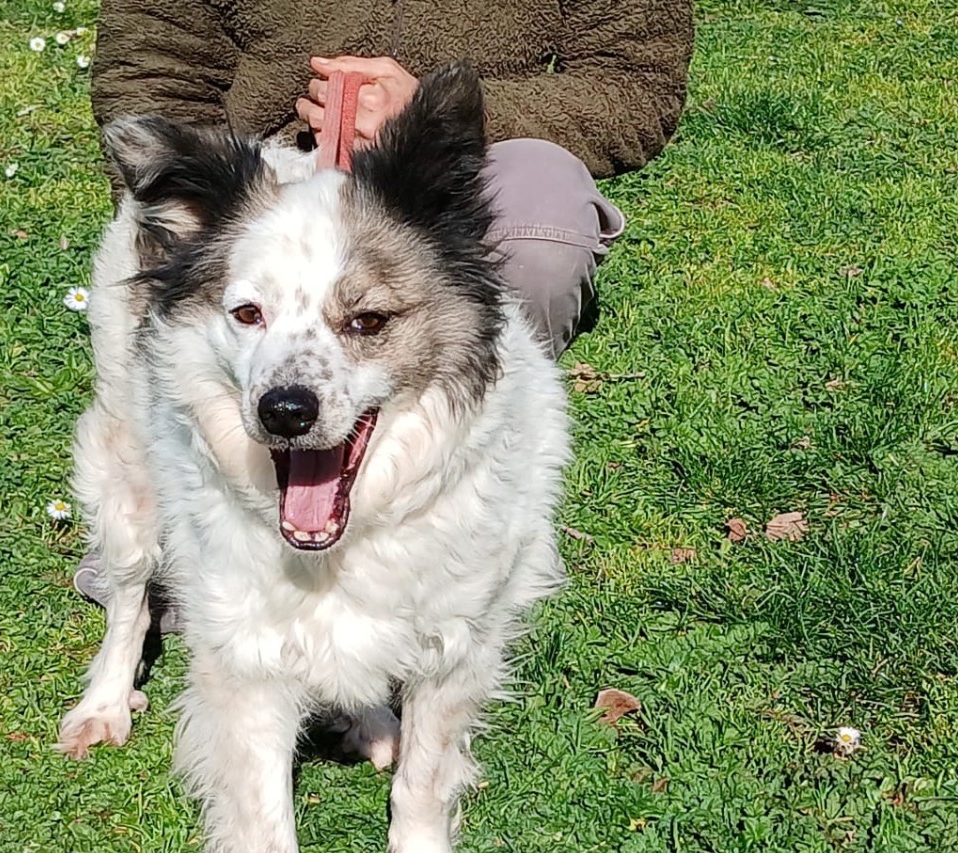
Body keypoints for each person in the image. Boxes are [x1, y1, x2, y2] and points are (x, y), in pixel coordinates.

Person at [74, 1, 693, 616]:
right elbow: (154, 60)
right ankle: (203, 512)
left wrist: (431, 113)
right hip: (263, 174)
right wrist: (217, 218)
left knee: (539, 229)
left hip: (442, 175)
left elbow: (634, 84)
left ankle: (479, 492)